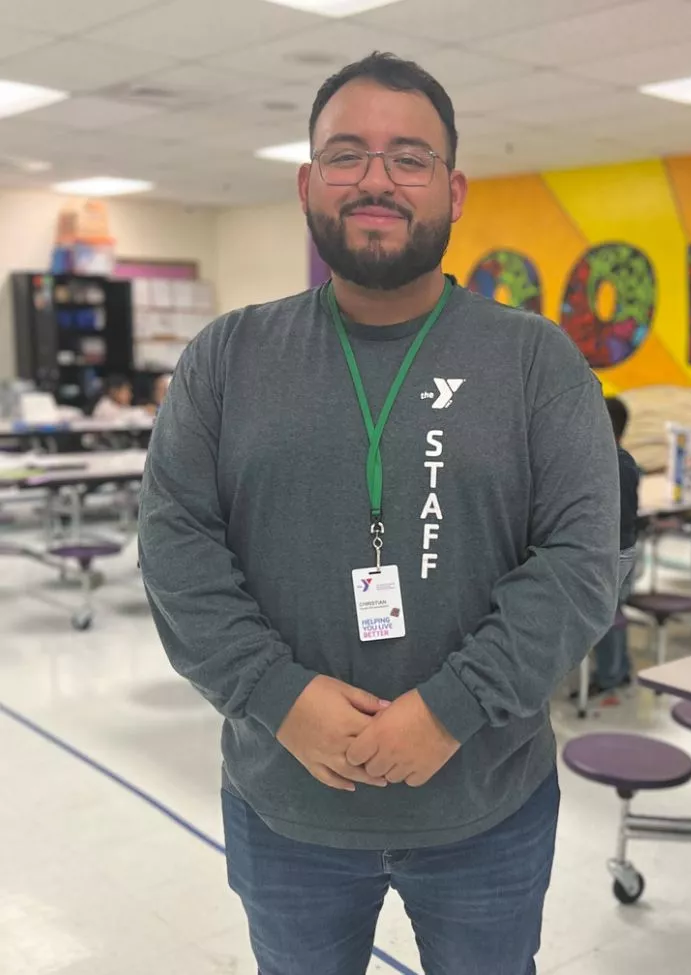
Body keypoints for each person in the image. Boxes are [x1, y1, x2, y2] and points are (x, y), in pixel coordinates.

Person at [137, 52, 619, 975]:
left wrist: (451, 707)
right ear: (309, 180)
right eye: (347, 153)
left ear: (453, 186)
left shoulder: (534, 361)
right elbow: (175, 546)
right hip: (286, 804)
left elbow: (579, 558)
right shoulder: (227, 357)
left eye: (409, 157)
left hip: (486, 802)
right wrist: (277, 696)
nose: (376, 180)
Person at [591, 396, 640, 693]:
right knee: (614, 610)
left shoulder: (609, 464)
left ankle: (610, 676)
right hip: (625, 548)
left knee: (605, 615)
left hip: (613, 552)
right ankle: (620, 668)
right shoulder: (625, 461)